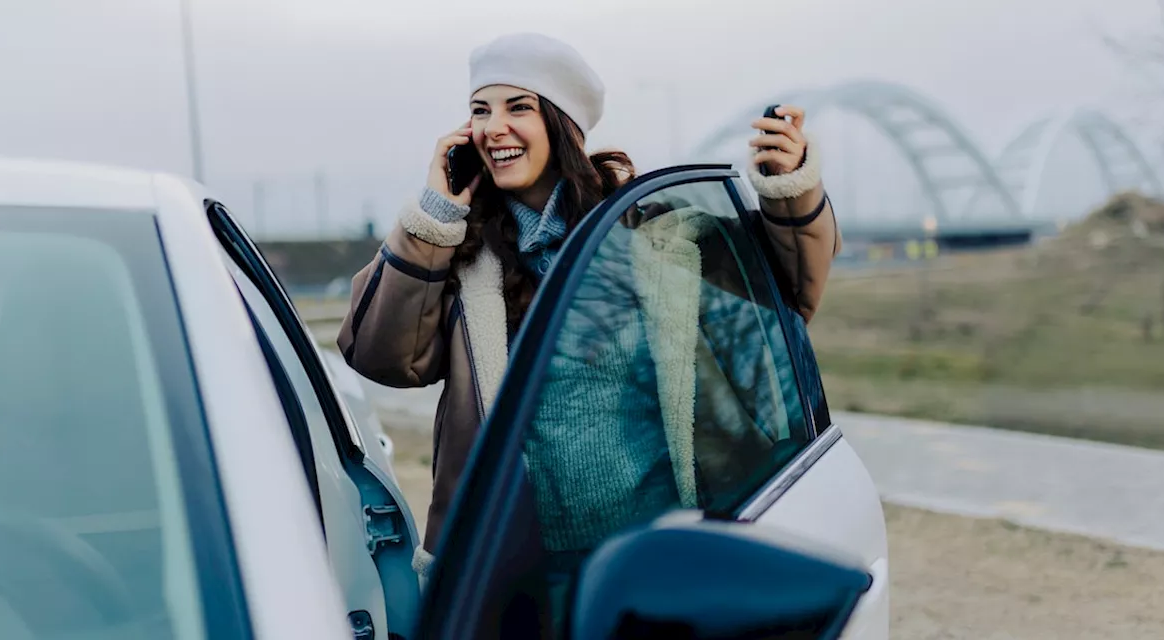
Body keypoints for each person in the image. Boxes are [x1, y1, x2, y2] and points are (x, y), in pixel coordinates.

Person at [337, 32, 841, 579]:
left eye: (518, 107)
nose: (493, 127)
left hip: (654, 556)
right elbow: (380, 356)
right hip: (511, 571)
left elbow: (789, 296)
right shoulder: (459, 252)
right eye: (479, 110)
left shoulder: (654, 234)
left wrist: (788, 188)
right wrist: (434, 215)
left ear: (563, 124)